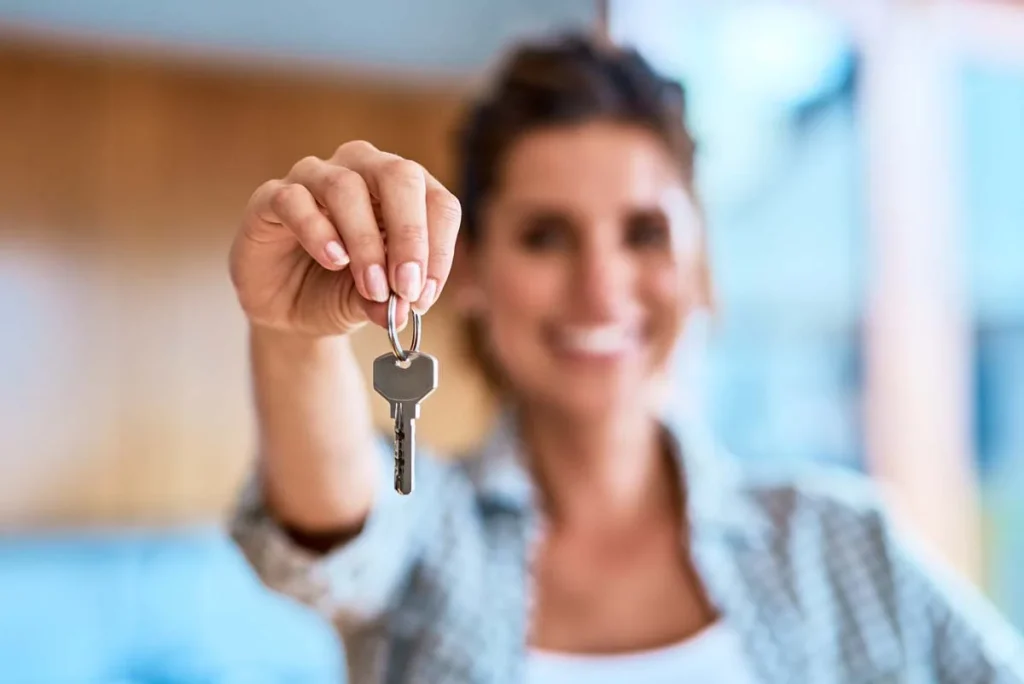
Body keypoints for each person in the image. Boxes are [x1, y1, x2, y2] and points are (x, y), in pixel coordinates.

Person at [228, 34, 1024, 683]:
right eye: (546, 235)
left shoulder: (844, 547)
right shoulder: (431, 541)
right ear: (466, 270)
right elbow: (334, 538)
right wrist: (295, 334)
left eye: (644, 233)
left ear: (701, 265)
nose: (600, 289)